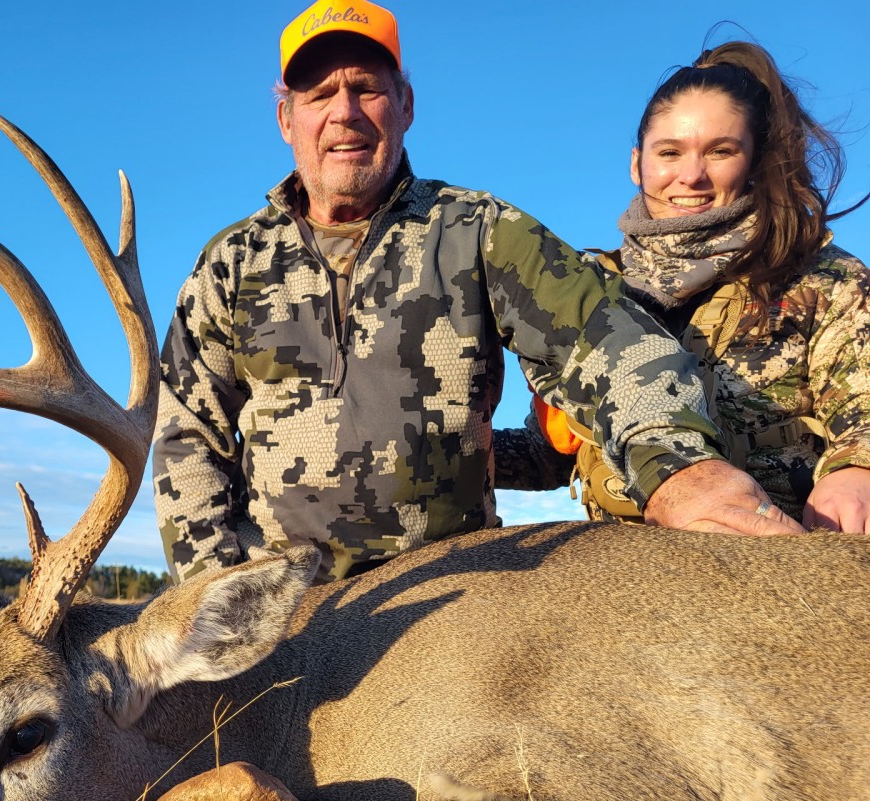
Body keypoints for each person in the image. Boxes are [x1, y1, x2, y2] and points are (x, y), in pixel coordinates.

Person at [152, 1, 803, 585]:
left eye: (367, 88)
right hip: (283, 609)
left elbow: (606, 339)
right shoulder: (231, 263)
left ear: (405, 105)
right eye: (320, 93)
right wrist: (216, 595)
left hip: (452, 608)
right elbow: (185, 432)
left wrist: (680, 468)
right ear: (285, 117)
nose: (344, 112)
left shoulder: (479, 230)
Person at [495, 41, 870, 534]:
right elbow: (552, 455)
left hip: (778, 551)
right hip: (620, 571)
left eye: (720, 151)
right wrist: (448, 452)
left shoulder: (822, 277)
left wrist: (855, 472)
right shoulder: (588, 291)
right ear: (637, 164)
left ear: (755, 161)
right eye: (669, 152)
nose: (691, 175)